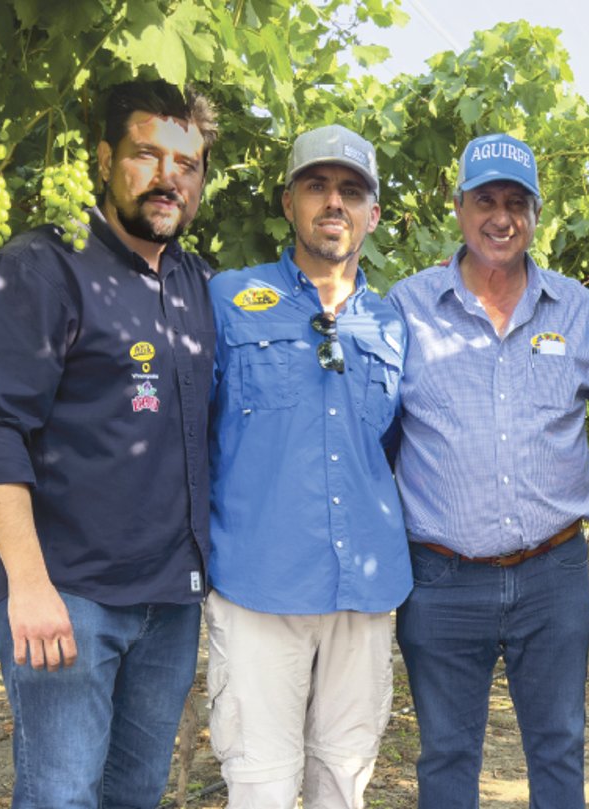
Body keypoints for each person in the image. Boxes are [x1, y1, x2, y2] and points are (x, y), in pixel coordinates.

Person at [0, 80, 217, 807]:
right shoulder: (42, 268)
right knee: (61, 795)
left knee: (136, 793)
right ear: (104, 158)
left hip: (170, 601)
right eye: (147, 155)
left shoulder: (197, 284)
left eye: (186, 165)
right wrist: (27, 585)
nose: (167, 178)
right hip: (69, 596)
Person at [387, 133, 589, 809]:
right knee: (445, 754)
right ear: (459, 207)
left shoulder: (577, 310)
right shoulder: (406, 308)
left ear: (535, 213)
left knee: (558, 746)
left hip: (552, 574)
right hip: (439, 578)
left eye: (516, 202)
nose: (501, 216)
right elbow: (369, 430)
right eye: (485, 199)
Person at [205, 124, 409, 808]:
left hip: (365, 592)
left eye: (352, 191)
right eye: (316, 186)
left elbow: (396, 445)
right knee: (260, 786)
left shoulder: (392, 324)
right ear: (288, 201)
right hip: (258, 584)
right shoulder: (229, 298)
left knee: (343, 784)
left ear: (372, 214)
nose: (334, 203)